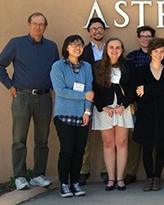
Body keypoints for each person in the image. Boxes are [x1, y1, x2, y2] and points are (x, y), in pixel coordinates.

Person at [0, 12, 59, 191]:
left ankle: (38, 175)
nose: (38, 27)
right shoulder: (16, 43)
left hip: (45, 98)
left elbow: (56, 71)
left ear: (45, 27)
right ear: (29, 25)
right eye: (35, 23)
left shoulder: (52, 47)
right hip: (22, 96)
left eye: (42, 24)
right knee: (19, 139)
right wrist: (9, 85)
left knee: (42, 139)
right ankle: (20, 177)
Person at [50, 35, 94, 197]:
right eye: (73, 44)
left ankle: (75, 182)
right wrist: (83, 96)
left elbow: (89, 89)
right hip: (64, 115)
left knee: (79, 150)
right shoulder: (58, 66)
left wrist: (87, 111)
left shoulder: (87, 67)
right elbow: (60, 90)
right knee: (67, 150)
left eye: (80, 45)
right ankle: (64, 183)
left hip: (82, 115)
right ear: (66, 47)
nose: (77, 47)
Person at [91, 38, 136, 191]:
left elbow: (133, 87)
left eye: (118, 47)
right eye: (111, 47)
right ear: (106, 49)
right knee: (108, 143)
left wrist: (124, 104)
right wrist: (103, 106)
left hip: (123, 108)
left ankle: (120, 179)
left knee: (122, 142)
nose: (114, 50)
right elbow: (94, 89)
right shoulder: (97, 66)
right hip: (105, 110)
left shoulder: (128, 65)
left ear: (122, 50)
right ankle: (111, 178)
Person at [133, 37, 164, 192]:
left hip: (163, 116)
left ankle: (157, 178)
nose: (159, 54)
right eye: (156, 51)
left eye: (161, 51)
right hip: (145, 116)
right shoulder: (142, 70)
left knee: (160, 148)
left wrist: (148, 89)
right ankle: (149, 178)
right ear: (150, 52)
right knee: (147, 148)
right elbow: (138, 92)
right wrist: (153, 90)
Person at [122, 26, 158, 185]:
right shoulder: (131, 57)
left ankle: (155, 173)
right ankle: (131, 171)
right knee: (136, 139)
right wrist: (131, 102)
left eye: (149, 37)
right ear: (138, 38)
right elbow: (128, 82)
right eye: (142, 36)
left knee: (155, 139)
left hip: (155, 104)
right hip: (136, 104)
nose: (145, 39)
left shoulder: (159, 57)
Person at [80, 17, 108, 185]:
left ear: (104, 30)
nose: (97, 31)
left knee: (107, 136)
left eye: (100, 28)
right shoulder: (82, 51)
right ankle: (84, 170)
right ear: (89, 32)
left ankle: (106, 170)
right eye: (93, 29)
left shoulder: (111, 48)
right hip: (88, 98)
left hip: (106, 98)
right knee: (86, 137)